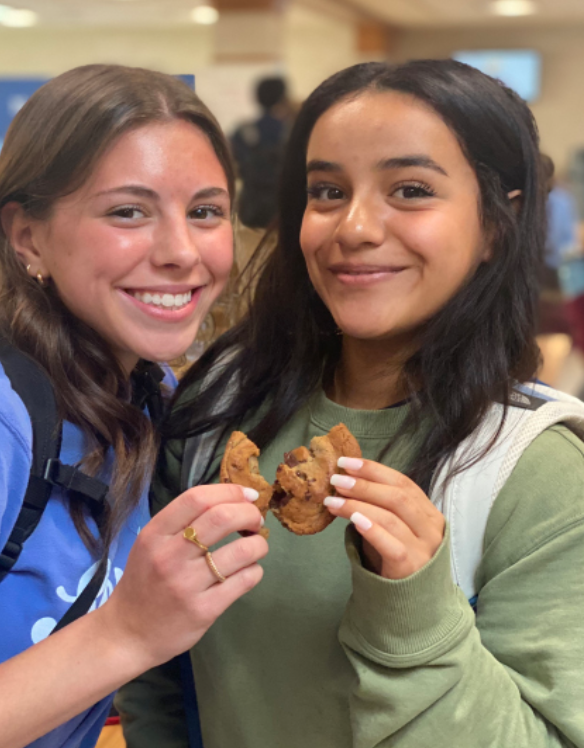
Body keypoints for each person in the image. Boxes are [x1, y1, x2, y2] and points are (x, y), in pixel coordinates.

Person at [117, 60, 584, 747]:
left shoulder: (538, 474)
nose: (355, 227)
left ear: (495, 224)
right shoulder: (218, 409)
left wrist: (418, 614)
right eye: (328, 190)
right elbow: (156, 673)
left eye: (411, 189)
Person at [0, 64, 268, 748]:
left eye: (205, 211)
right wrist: (127, 633)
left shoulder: (148, 395)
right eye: (128, 211)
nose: (182, 252)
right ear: (28, 238)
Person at [230, 76, 292, 229]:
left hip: (251, 208)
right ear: (283, 98)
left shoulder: (243, 131)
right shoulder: (292, 130)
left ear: (257, 98)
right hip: (285, 208)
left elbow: (232, 166)